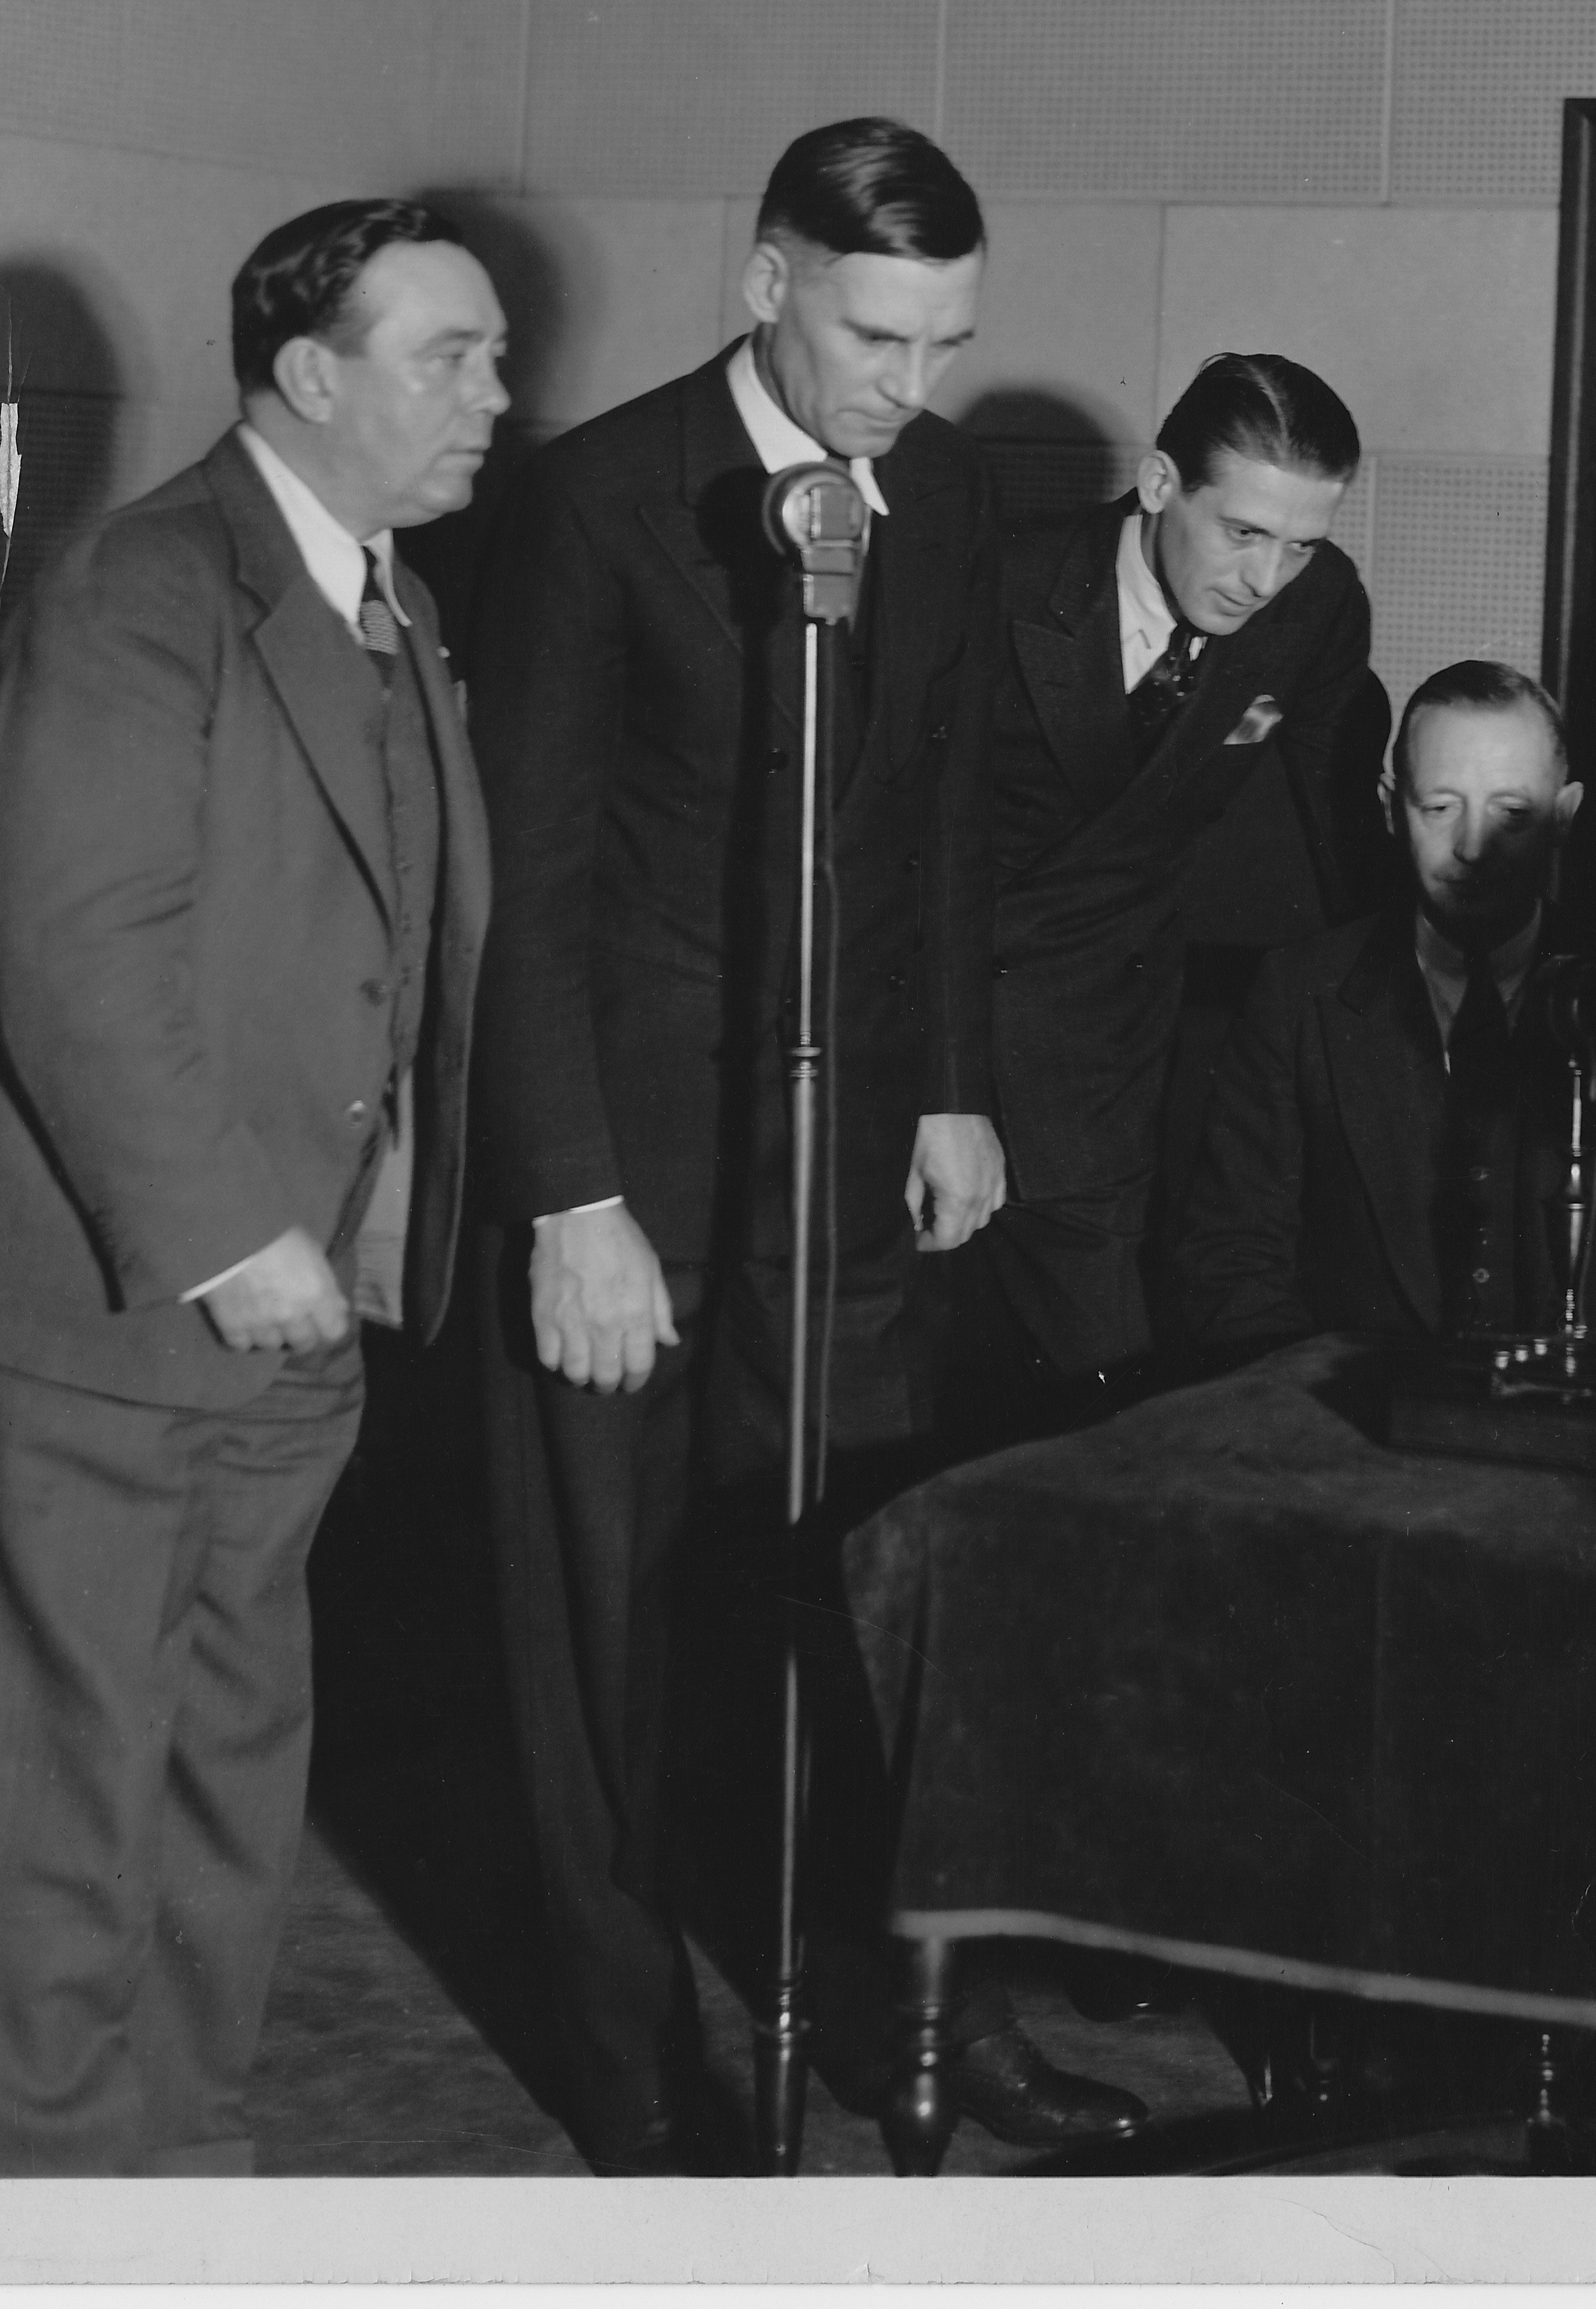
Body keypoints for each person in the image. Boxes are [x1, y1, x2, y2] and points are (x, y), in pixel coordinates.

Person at [468, 117, 1128, 2168]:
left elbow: (931, 820)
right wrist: (571, 1196)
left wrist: (947, 1081)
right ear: (766, 282)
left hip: (842, 1174)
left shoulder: (934, 501)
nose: (904, 384)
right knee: (614, 1633)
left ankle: (876, 1992)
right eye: (873, 333)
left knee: (848, 1598)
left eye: (942, 342)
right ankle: (629, 2055)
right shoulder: (593, 502)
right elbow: (526, 886)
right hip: (633, 1173)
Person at [0, 199, 501, 2172]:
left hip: (297, 1327)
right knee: (77, 1784)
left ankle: (179, 2169)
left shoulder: (397, 605)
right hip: (113, 1316)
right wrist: (229, 1230)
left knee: (230, 1774)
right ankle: (54, 2205)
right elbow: (74, 946)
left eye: (495, 356)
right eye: (451, 354)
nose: (495, 395)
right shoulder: (141, 583)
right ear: (310, 373)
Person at [966, 352, 1376, 1397]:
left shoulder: (1316, 606)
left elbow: (1332, 816)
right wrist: (940, 1098)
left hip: (1102, 1061)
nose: (1264, 579)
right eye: (1242, 532)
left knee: (1093, 1412)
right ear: (1158, 484)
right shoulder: (990, 584)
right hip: (929, 1043)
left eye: (1301, 543)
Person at [1169, 659, 1596, 1362]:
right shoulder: (1298, 997)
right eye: (1440, 808)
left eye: (1512, 813)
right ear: (1392, 807)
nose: (1474, 848)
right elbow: (1232, 1263)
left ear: (1565, 816)